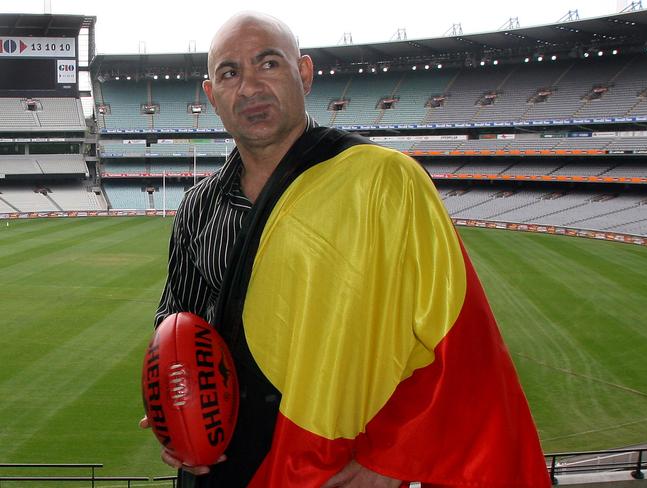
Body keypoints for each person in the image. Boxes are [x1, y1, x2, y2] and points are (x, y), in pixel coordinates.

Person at [144, 11, 550, 488]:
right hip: (223, 468)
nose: (250, 87)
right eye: (230, 73)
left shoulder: (383, 181)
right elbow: (177, 326)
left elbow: (458, 344)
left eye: (268, 64)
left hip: (336, 465)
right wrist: (176, 417)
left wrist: (388, 459)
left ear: (306, 73)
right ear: (212, 96)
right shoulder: (197, 206)